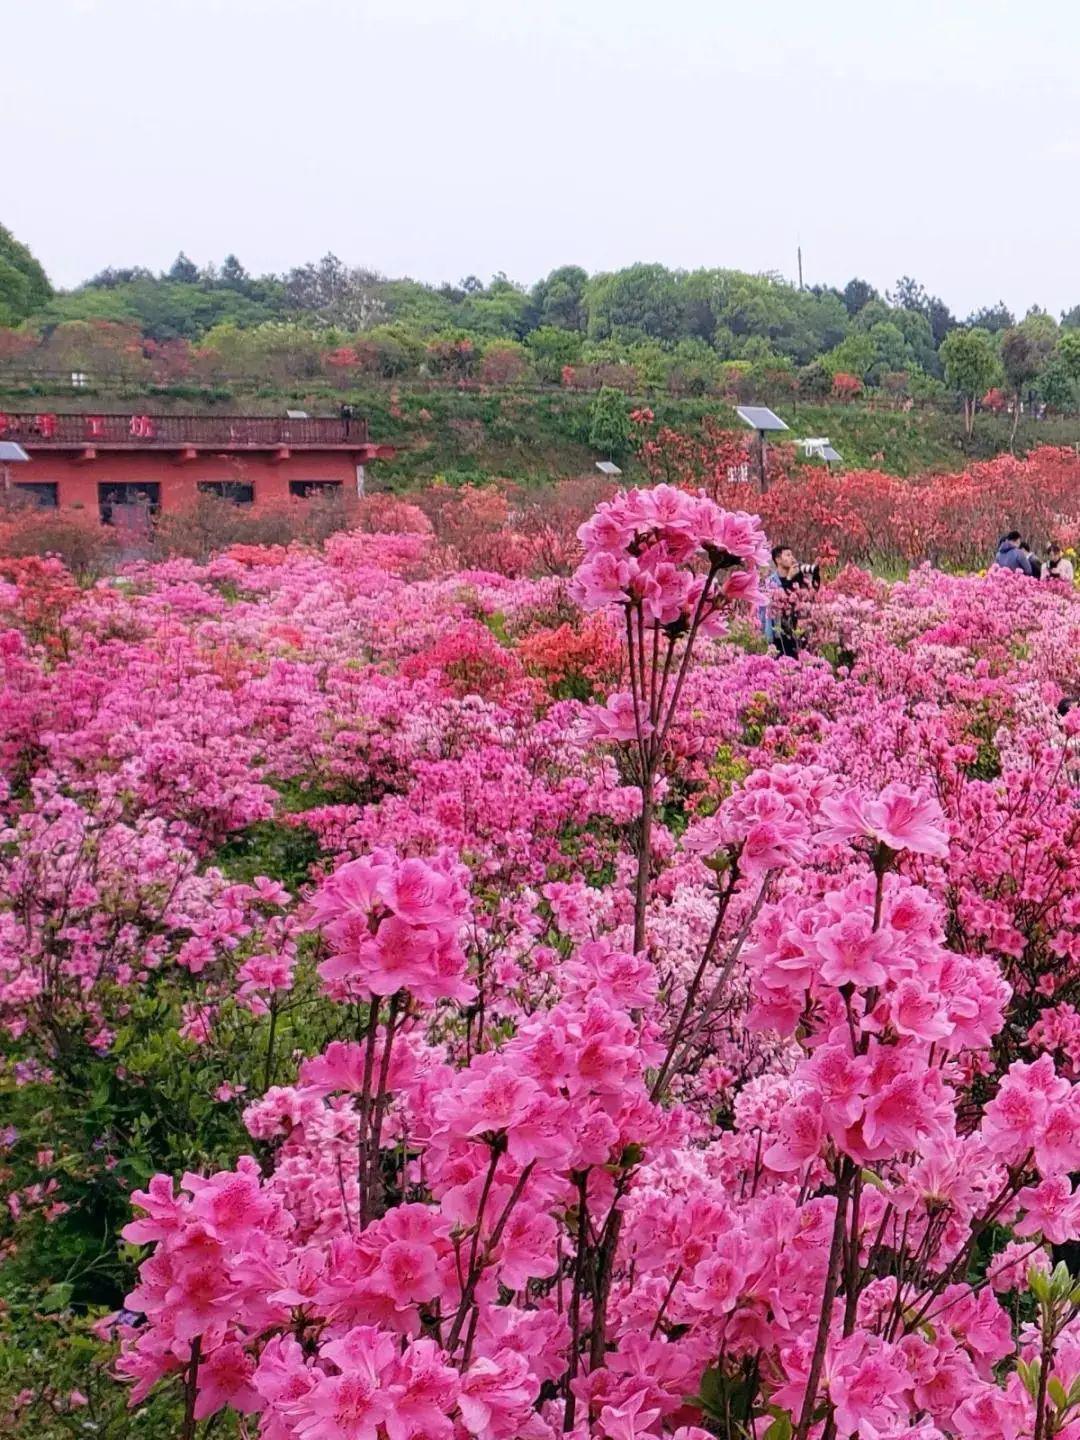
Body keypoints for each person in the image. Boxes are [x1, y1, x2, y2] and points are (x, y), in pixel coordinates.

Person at [761, 544, 816, 659]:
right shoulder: (770, 582)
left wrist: (799, 576)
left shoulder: (800, 579)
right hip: (779, 632)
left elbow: (808, 597)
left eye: (792, 555)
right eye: (788, 555)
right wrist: (789, 578)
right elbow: (774, 603)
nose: (791, 558)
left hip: (798, 631)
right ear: (778, 560)